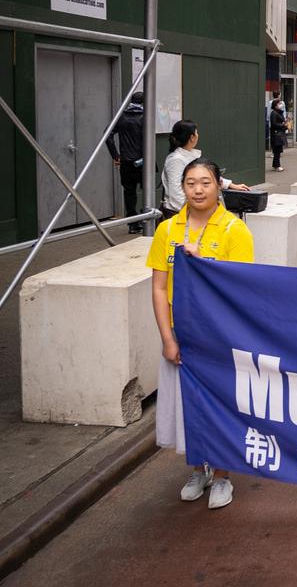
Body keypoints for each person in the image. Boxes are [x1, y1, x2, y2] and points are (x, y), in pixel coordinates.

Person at [147, 157, 254, 510]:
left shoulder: (233, 230)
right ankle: (198, 469)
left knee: (219, 404)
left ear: (218, 185)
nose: (197, 189)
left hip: (219, 334)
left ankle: (223, 474)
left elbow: (240, 289)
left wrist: (204, 264)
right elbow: (160, 288)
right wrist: (167, 338)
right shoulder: (167, 230)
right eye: (191, 182)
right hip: (182, 332)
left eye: (205, 182)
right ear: (182, 188)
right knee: (186, 405)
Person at [161, 120, 249, 221]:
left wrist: (231, 185)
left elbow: (208, 175)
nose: (198, 135)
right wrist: (197, 210)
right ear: (192, 137)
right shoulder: (176, 160)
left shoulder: (190, 155)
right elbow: (176, 194)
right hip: (180, 215)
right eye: (196, 132)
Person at [106, 92, 147, 234]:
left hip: (126, 161)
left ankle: (132, 223)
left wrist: (115, 155)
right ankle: (147, 218)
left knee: (129, 192)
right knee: (147, 190)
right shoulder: (145, 117)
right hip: (143, 160)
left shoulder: (122, 116)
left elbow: (108, 134)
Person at [269, 100, 288, 171]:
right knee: (276, 151)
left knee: (278, 150)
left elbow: (281, 121)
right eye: (279, 103)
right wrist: (283, 125)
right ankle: (277, 166)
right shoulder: (273, 113)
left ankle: (275, 165)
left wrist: (285, 125)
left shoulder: (279, 112)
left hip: (280, 133)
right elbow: (274, 124)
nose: (281, 105)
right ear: (275, 105)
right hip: (276, 134)